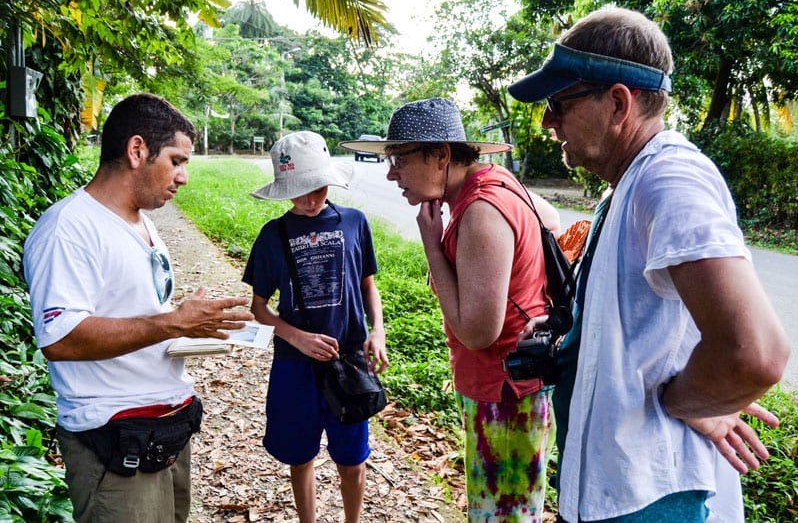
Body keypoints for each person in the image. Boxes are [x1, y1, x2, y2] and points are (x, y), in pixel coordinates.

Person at [508, 7, 791, 522]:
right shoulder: (628, 186)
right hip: (615, 487)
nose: (549, 121)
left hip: (649, 497)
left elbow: (755, 353)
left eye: (559, 103)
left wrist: (687, 402)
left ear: (618, 103)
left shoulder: (669, 178)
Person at [23, 93, 254, 522]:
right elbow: (61, 339)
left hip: (166, 426)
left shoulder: (141, 220)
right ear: (137, 151)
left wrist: (188, 323)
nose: (183, 176)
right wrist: (170, 322)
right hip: (114, 438)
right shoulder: (68, 229)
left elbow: (140, 313)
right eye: (177, 160)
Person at [341, 97, 562, 522]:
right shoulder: (498, 181)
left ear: (441, 155)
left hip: (506, 395)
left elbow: (477, 333)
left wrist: (431, 239)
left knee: (501, 515)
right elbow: (549, 221)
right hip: (516, 387)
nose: (391, 174)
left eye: (399, 159)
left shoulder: (480, 210)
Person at [242, 130, 388, 523]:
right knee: (300, 456)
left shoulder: (354, 222)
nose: (310, 199)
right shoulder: (273, 235)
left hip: (348, 362)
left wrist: (378, 331)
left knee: (352, 460)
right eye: (300, 190)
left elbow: (368, 285)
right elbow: (258, 308)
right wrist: (295, 336)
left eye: (318, 188)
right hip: (294, 366)